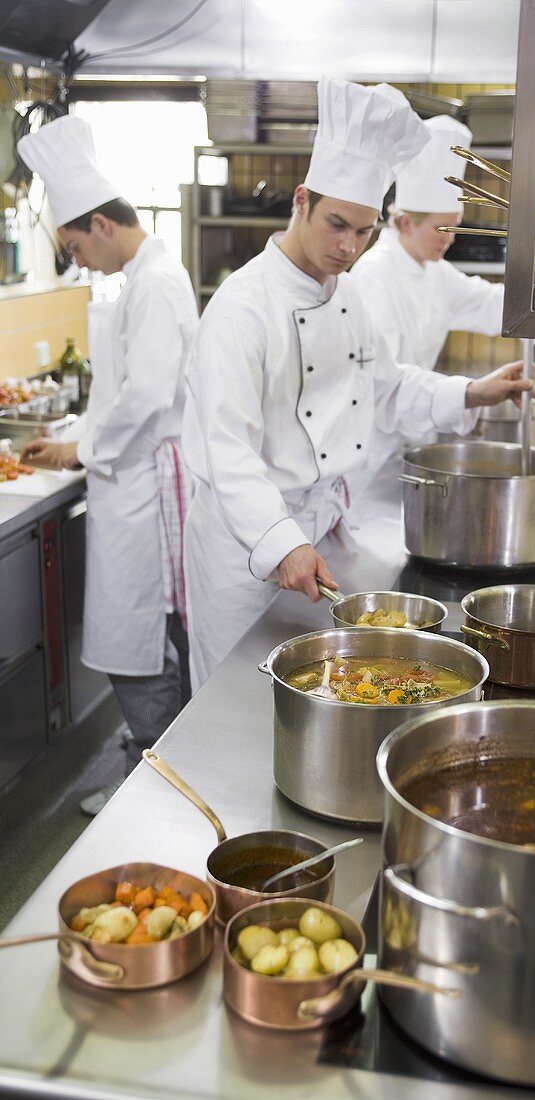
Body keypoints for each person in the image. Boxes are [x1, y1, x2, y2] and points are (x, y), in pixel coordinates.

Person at [182, 78, 535, 690]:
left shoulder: (345, 295)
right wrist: (280, 542)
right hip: (246, 548)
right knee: (230, 705)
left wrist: (471, 393)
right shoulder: (243, 308)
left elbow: (387, 388)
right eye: (337, 225)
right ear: (302, 201)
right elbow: (226, 452)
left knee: (315, 693)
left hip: (321, 528)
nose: (348, 248)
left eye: (364, 231)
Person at [17, 116, 198, 810]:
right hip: (130, 479)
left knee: (136, 639)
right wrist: (81, 441)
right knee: (140, 637)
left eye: (74, 246)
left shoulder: (154, 283)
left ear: (100, 223)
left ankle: (154, 783)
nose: (79, 261)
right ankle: (152, 765)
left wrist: (82, 446)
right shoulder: (143, 278)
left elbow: (147, 395)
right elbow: (123, 389)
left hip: (144, 488)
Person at [350, 114, 511, 462]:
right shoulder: (375, 277)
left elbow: (489, 304)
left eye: (454, 227)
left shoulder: (434, 272)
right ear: (407, 222)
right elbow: (384, 387)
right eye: (442, 228)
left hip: (406, 441)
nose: (451, 239)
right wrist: (468, 393)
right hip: (368, 452)